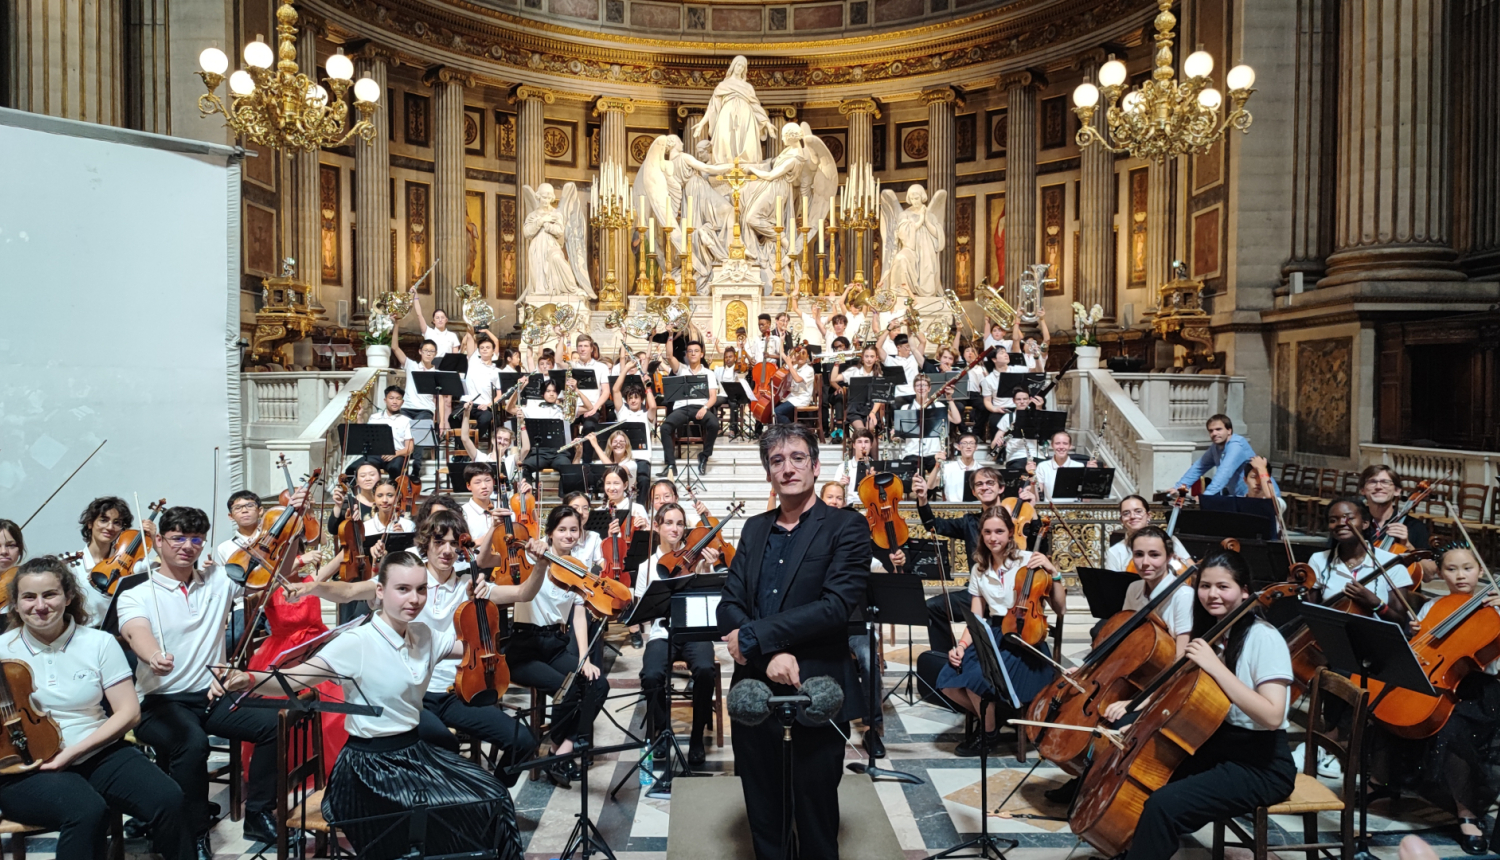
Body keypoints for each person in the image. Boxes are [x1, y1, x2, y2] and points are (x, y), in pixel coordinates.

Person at [227, 552, 525, 860]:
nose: (415, 599)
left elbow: (477, 651)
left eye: (421, 589)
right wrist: (246, 679)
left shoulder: (424, 634)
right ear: (380, 591)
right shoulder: (356, 642)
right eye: (403, 589)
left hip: (414, 755)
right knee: (451, 813)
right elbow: (294, 679)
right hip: (368, 769)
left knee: (494, 796)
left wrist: (481, 607)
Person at [297, 512, 543, 789]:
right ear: (426, 543)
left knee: (523, 741)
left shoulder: (469, 585)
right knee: (444, 745)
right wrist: (314, 587)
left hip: (455, 691)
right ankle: (436, 802)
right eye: (439, 542)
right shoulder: (408, 581)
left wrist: (542, 564)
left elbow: (523, 593)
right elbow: (350, 592)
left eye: (453, 543)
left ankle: (493, 795)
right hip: (410, 694)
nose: (447, 550)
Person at [718, 423, 870, 860]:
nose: (788, 469)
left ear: (816, 465)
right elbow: (729, 604)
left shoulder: (847, 526)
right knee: (763, 811)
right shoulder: (753, 528)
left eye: (797, 458)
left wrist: (755, 636)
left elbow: (835, 606)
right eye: (777, 461)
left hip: (816, 687)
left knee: (816, 814)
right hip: (754, 689)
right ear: (769, 472)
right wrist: (768, 652)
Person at [1101, 549, 1296, 860]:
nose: (1212, 594)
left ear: (1245, 591)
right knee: (1141, 773)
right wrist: (1138, 709)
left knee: (1163, 806)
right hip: (1216, 745)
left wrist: (1215, 667)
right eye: (1205, 586)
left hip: (1261, 764)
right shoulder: (1216, 633)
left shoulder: (1264, 637)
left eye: (1223, 586)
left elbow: (1273, 716)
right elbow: (1182, 690)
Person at [0, 557, 193, 860]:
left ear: (68, 596)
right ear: (15, 602)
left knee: (169, 799)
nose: (40, 605)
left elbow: (129, 713)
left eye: (49, 594)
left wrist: (72, 753)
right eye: (29, 596)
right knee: (87, 811)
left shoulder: (99, 643)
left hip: (96, 748)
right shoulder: (3, 649)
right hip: (29, 765)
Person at [115, 506, 282, 854]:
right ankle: (192, 833)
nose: (186, 546)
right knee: (191, 744)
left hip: (211, 694)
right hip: (160, 702)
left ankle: (258, 811)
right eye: (177, 538)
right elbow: (135, 631)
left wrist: (295, 513)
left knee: (276, 722)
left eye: (195, 539)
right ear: (159, 541)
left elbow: (273, 570)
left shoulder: (219, 581)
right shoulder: (136, 592)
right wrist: (153, 656)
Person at [936, 505, 1064, 756]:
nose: (993, 538)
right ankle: (996, 716)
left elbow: (1060, 609)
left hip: (1025, 641)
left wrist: (1054, 574)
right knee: (947, 681)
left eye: (999, 531)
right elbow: (976, 617)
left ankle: (988, 733)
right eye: (987, 532)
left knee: (975, 681)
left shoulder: (1029, 561)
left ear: (1010, 533)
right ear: (981, 535)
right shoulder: (979, 569)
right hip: (993, 634)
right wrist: (961, 646)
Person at [506, 505, 610, 788]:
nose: (568, 535)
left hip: (556, 643)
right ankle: (563, 753)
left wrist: (585, 658)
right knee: (570, 689)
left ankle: (560, 750)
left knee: (598, 683)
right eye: (561, 529)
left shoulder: (578, 567)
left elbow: (578, 615)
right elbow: (507, 555)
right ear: (549, 532)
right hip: (525, 646)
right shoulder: (532, 556)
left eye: (573, 530)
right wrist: (534, 549)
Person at [1408, 544, 1500, 854]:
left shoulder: (1496, 607)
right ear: (1440, 573)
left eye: (1468, 568)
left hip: (1488, 687)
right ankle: (1384, 778)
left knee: (1455, 728)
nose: (1460, 575)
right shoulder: (1434, 607)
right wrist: (1416, 636)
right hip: (1446, 682)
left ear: (1481, 569)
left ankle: (1468, 815)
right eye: (1451, 569)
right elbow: (1422, 651)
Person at [634, 503, 721, 771]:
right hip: (662, 633)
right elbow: (641, 611)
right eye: (669, 523)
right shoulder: (646, 566)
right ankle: (662, 731)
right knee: (650, 675)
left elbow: (713, 601)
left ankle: (697, 737)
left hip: (695, 630)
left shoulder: (697, 560)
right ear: (658, 526)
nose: (675, 528)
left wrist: (707, 568)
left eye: (680, 523)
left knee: (706, 670)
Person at [913, 466, 1008, 653]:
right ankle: (944, 663)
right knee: (933, 607)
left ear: (1001, 488)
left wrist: (1033, 510)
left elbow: (1037, 540)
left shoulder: (1015, 520)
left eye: (990, 483)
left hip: (1009, 595)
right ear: (973, 491)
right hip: (978, 594)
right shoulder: (969, 522)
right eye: (979, 484)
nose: (985, 487)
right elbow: (933, 525)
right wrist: (923, 499)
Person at [1307, 498, 1412, 624]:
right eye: (1333, 520)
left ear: (1365, 523)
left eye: (1349, 518)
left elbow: (1400, 621)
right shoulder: (1318, 560)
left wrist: (1375, 603)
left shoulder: (1392, 563)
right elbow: (1310, 613)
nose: (1340, 523)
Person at [69, 496, 145, 625]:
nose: (110, 527)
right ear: (90, 523)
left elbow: (167, 574)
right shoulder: (71, 565)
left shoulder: (131, 565)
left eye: (117, 522)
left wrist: (155, 542)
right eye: (103, 520)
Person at [1360, 463, 1438, 583]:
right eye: (1372, 482)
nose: (1379, 486)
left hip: (1400, 596)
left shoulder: (1415, 527)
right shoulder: (1354, 524)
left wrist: (1407, 546)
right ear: (1362, 490)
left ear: (1397, 491)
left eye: (1385, 482)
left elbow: (1428, 576)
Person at [660, 339, 721, 479]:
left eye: (696, 351)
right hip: (682, 408)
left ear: (702, 354)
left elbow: (713, 397)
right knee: (665, 428)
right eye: (690, 351)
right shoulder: (681, 369)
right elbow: (669, 356)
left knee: (713, 424)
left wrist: (705, 408)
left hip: (701, 407)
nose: (693, 353)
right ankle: (670, 465)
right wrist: (670, 335)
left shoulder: (709, 373)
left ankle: (704, 456)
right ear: (686, 355)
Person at [505, 377, 572, 482]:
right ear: (542, 394)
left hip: (559, 452)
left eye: (554, 391)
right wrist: (519, 389)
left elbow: (588, 408)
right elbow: (509, 408)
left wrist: (576, 390)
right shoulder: (533, 410)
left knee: (567, 468)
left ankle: (565, 498)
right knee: (525, 467)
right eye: (548, 391)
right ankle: (528, 496)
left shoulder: (565, 411)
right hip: (539, 452)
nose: (551, 394)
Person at [1174, 413, 1257, 496]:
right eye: (1211, 431)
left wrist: (1207, 496)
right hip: (1240, 497)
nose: (1214, 433)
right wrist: (1179, 488)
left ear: (1229, 430)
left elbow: (1224, 472)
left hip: (1259, 496)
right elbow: (1199, 467)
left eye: (1218, 429)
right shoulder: (1215, 447)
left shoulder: (1237, 445)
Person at [1103, 496, 1191, 572]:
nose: (1132, 516)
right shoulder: (1114, 552)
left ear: (1148, 516)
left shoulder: (1171, 541)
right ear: (1122, 520)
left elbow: (1194, 574)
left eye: (1138, 511)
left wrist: (1181, 564)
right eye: (1126, 513)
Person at [900, 375, 962, 474]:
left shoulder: (938, 406)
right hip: (912, 452)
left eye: (924, 385)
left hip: (934, 453)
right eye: (918, 385)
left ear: (929, 388)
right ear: (914, 388)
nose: (921, 388)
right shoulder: (905, 408)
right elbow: (901, 435)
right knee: (911, 482)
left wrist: (950, 399)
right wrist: (895, 433)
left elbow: (957, 420)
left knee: (936, 484)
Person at [451, 329, 502, 443]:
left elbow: (499, 395)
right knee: (453, 417)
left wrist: (488, 405)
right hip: (466, 403)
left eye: (487, 348)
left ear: (493, 351)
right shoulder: (473, 361)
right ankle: (461, 446)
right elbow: (469, 338)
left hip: (483, 405)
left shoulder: (496, 371)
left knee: (486, 418)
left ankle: (471, 445)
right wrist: (470, 324)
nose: (484, 350)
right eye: (482, 348)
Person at [566, 334, 613, 455]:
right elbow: (557, 361)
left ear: (591, 349)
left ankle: (586, 462)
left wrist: (595, 408)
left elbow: (606, 391)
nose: (582, 349)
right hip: (574, 408)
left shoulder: (601, 367)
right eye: (580, 346)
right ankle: (569, 459)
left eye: (586, 346)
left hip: (591, 406)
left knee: (589, 427)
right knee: (565, 425)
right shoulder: (571, 366)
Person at [830, 344, 886, 434]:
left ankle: (868, 447)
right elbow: (833, 379)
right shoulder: (854, 371)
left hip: (871, 408)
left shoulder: (878, 375)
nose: (869, 359)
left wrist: (873, 412)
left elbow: (878, 398)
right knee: (861, 431)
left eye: (872, 357)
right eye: (866, 356)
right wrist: (836, 364)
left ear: (876, 358)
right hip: (854, 409)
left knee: (870, 429)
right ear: (862, 357)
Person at [365, 386, 418, 480]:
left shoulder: (407, 421)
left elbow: (409, 448)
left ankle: (395, 493)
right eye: (391, 398)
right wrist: (360, 417)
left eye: (398, 399)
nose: (395, 402)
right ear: (385, 400)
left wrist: (395, 453)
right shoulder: (374, 417)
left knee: (395, 468)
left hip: (397, 455)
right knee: (353, 468)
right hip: (376, 455)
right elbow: (365, 438)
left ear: (402, 402)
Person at [391, 336, 442, 429]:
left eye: (431, 351)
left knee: (419, 432)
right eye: (426, 350)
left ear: (436, 354)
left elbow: (439, 398)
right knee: (399, 430)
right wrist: (397, 323)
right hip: (407, 408)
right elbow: (395, 347)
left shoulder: (436, 373)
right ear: (420, 351)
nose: (428, 354)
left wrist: (441, 422)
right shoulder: (411, 365)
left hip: (425, 410)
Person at [1032, 430, 1097, 502]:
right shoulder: (1042, 466)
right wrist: (1031, 476)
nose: (1061, 447)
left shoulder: (1079, 466)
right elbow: (1036, 499)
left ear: (1070, 446)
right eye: (1057, 443)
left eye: (1065, 443)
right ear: (1052, 445)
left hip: (1074, 511)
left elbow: (1086, 501)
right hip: (1050, 511)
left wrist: (1091, 475)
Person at [991, 386, 1042, 467]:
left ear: (1029, 400)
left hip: (1036, 455)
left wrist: (1039, 409)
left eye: (1025, 399)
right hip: (1015, 456)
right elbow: (993, 444)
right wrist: (999, 443)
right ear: (1013, 400)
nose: (1022, 402)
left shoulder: (1036, 416)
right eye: (1018, 399)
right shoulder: (1008, 418)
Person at [878, 325, 926, 406]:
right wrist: (888, 329)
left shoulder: (914, 358)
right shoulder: (890, 360)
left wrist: (912, 326)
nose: (909, 349)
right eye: (907, 347)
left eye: (909, 346)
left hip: (914, 394)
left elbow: (923, 341)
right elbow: (878, 346)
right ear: (898, 347)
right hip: (899, 396)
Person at [935, 433, 984, 502]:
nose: (968, 446)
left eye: (972, 443)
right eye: (964, 443)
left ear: (976, 447)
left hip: (976, 508)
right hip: (952, 508)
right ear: (958, 447)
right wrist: (937, 464)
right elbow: (931, 486)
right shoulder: (948, 468)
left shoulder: (982, 470)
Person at [773, 345, 816, 424]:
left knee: (777, 412)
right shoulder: (795, 367)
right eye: (798, 354)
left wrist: (790, 364)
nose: (800, 356)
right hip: (792, 397)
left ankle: (792, 432)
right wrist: (781, 341)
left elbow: (798, 379)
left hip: (801, 399)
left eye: (803, 354)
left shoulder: (809, 369)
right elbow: (783, 355)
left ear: (807, 356)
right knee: (772, 409)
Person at [410, 293, 462, 357]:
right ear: (433, 321)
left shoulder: (452, 335)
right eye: (437, 318)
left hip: (447, 365)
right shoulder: (428, 332)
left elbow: (455, 357)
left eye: (442, 317)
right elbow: (419, 315)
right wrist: (415, 296)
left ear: (446, 320)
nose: (440, 320)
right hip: (431, 364)